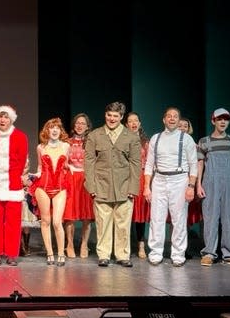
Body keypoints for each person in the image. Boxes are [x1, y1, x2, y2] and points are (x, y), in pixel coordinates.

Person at [84, 101, 141, 268]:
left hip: (124, 186)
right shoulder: (95, 135)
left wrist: (133, 188)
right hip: (101, 185)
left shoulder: (131, 137)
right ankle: (104, 255)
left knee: (123, 223)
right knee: (103, 222)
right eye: (109, 115)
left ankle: (123, 255)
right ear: (105, 115)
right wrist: (91, 186)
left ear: (121, 117)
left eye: (115, 116)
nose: (112, 118)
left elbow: (136, 163)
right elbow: (89, 163)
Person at [143, 107, 198, 267]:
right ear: (164, 119)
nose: (172, 119)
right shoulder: (156, 138)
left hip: (179, 180)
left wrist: (191, 186)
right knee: (156, 218)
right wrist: (147, 186)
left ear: (178, 119)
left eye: (175, 116)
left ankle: (178, 254)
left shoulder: (186, 139)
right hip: (159, 179)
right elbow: (149, 164)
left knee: (179, 219)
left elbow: (193, 164)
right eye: (169, 116)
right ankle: (155, 252)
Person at [0, 105, 29, 266]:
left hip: (13, 184)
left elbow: (22, 160)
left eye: (6, 117)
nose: (3, 120)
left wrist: (16, 176)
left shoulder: (20, 137)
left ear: (11, 119)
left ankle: (11, 254)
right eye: (1, 116)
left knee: (13, 222)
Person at [29, 117, 71, 266]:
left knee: (57, 222)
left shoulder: (66, 146)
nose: (54, 130)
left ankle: (61, 253)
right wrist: (33, 175)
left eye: (57, 128)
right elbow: (40, 167)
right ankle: (50, 253)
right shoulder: (41, 147)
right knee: (45, 221)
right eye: (51, 127)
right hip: (43, 186)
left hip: (59, 186)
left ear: (60, 131)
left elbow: (66, 165)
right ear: (47, 130)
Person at [197, 108, 230, 266]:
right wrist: (198, 184)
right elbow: (199, 164)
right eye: (220, 119)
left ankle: (229, 252)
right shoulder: (204, 141)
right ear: (213, 121)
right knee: (211, 217)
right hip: (210, 183)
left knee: (229, 218)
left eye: (226, 119)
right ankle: (209, 253)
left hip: (229, 183)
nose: (223, 122)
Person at [62, 113, 94, 258]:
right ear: (74, 126)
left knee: (87, 214)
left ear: (87, 127)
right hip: (71, 178)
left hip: (86, 179)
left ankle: (84, 244)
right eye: (77, 123)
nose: (80, 126)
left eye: (83, 123)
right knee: (70, 215)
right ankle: (69, 244)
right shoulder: (66, 142)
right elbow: (62, 161)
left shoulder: (92, 142)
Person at [126, 111, 150, 259]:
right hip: (126, 178)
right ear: (126, 124)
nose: (134, 123)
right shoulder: (122, 140)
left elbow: (149, 163)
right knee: (125, 213)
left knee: (139, 214)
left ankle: (141, 245)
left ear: (139, 124)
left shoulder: (145, 143)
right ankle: (125, 246)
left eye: (136, 121)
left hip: (140, 178)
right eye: (130, 121)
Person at [178, 117, 203, 231]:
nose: (183, 128)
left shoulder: (192, 143)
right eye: (180, 126)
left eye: (185, 126)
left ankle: (183, 245)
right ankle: (175, 246)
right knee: (175, 214)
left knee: (186, 214)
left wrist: (196, 184)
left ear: (188, 129)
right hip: (176, 180)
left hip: (189, 180)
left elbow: (197, 164)